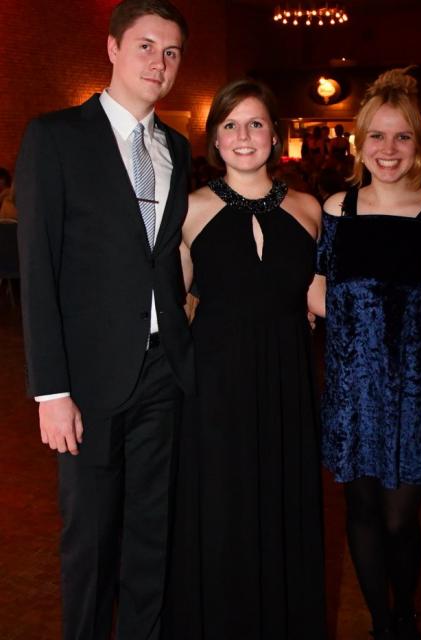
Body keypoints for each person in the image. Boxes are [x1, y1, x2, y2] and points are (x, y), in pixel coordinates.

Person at [15, 1, 194, 638]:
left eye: (172, 52)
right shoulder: (55, 137)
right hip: (87, 379)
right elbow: (37, 270)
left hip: (164, 372)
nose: (159, 62)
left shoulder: (177, 148)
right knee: (89, 541)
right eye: (146, 46)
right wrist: (51, 391)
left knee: (151, 538)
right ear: (113, 49)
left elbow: (166, 259)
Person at [163, 78, 326, 639]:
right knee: (222, 510)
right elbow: (170, 304)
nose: (243, 135)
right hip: (214, 388)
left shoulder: (310, 209)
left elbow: (322, 299)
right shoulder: (188, 210)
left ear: (275, 135)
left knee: (281, 507)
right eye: (230, 124)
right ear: (214, 138)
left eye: (255, 123)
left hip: (286, 383)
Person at [314, 68, 421, 640]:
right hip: (351, 393)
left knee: (401, 521)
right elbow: (317, 291)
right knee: (362, 513)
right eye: (377, 135)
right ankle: (383, 623)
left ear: (419, 144)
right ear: (359, 143)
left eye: (402, 136)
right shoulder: (337, 209)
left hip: (414, 396)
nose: (389, 148)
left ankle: (405, 616)